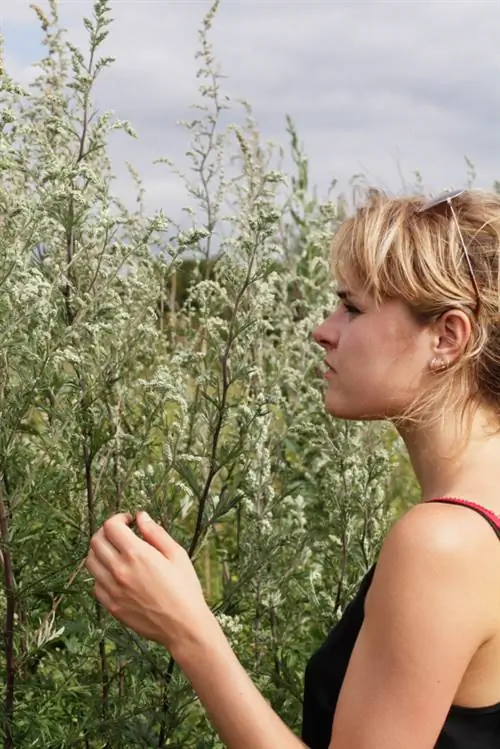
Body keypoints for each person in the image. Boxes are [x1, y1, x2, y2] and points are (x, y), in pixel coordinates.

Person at [85, 188, 500, 749]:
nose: (323, 330)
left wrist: (187, 629)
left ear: (447, 337)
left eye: (352, 308)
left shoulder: (442, 546)